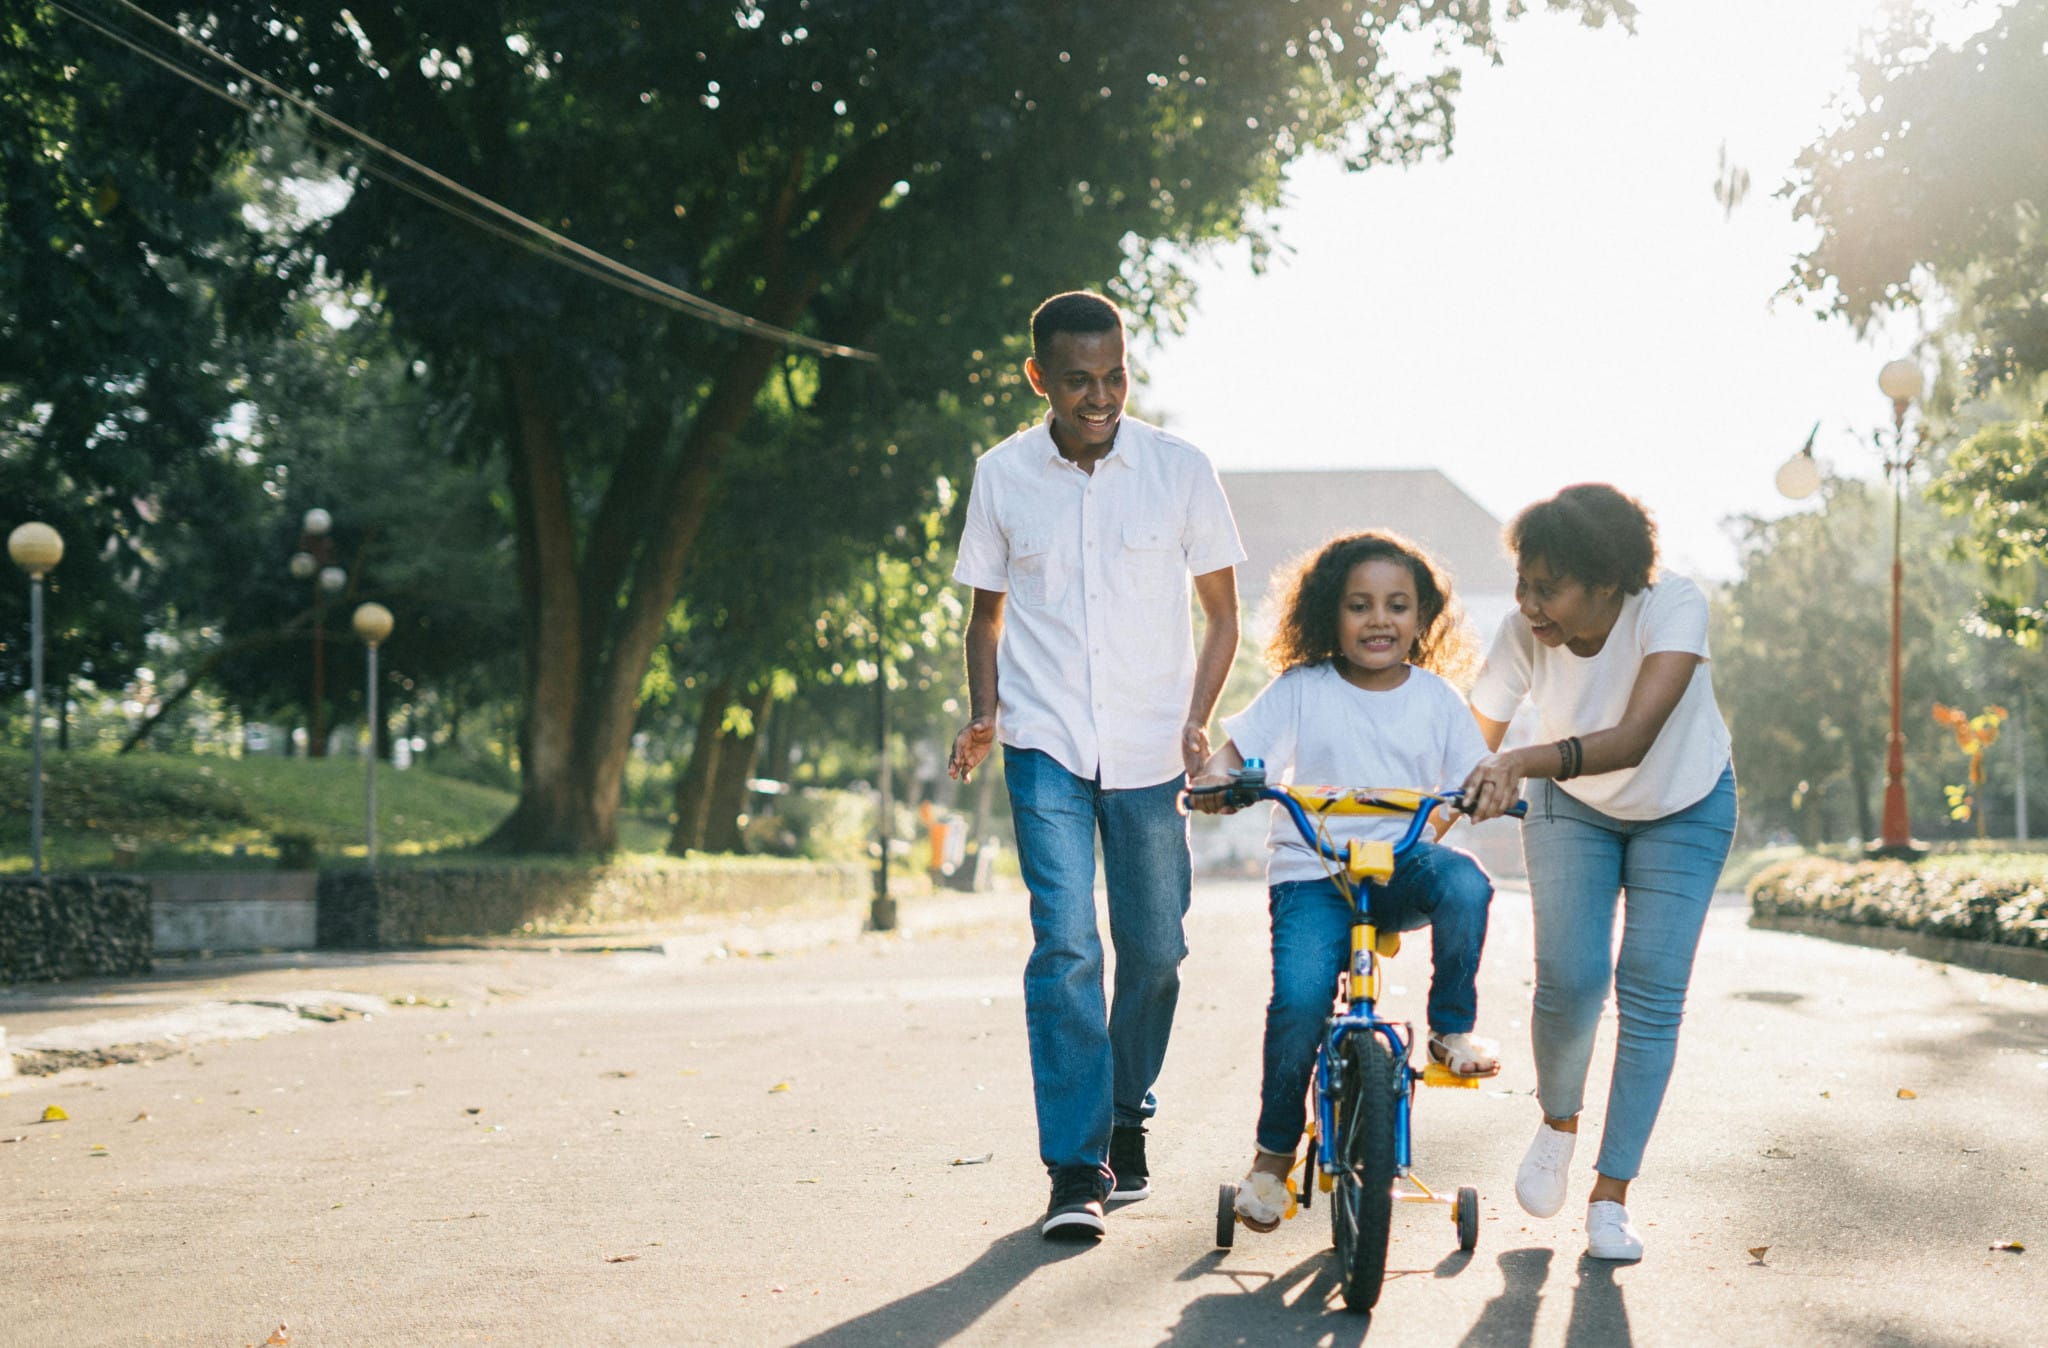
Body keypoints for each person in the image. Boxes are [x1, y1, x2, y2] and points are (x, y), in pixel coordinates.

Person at [946, 290, 1244, 1242]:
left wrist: (1199, 719)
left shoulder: (1180, 470)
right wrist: (986, 714)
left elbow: (1223, 615)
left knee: (1156, 951)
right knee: (1068, 945)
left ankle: (1126, 1114)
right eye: (1078, 381)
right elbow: (985, 615)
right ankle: (1076, 1167)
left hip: (1154, 747)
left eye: (1115, 375)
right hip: (1044, 745)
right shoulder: (1001, 476)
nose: (1101, 396)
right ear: (1040, 378)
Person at [1188, 530, 1498, 1233]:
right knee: (1299, 1001)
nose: (1379, 620)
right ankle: (1271, 1159)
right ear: (1331, 614)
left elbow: (1474, 774)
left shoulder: (1439, 700)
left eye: (1397, 605)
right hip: (1313, 874)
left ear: (1423, 620)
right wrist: (1215, 781)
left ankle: (1451, 1029)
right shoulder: (1302, 690)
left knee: (1468, 885)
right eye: (1359, 605)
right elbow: (1234, 756)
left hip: (1398, 867)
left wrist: (1487, 790)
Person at [1459, 483, 1737, 1263]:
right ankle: (1557, 1122)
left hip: (1684, 802)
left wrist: (1519, 759)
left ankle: (1611, 1196)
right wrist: (1424, 820)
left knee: (1650, 987)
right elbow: (1467, 744)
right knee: (1572, 978)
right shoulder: (1523, 633)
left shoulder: (1671, 607)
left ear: (1607, 582)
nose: (1528, 603)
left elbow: (1637, 736)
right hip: (1571, 807)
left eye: (1547, 587)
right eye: (1522, 582)